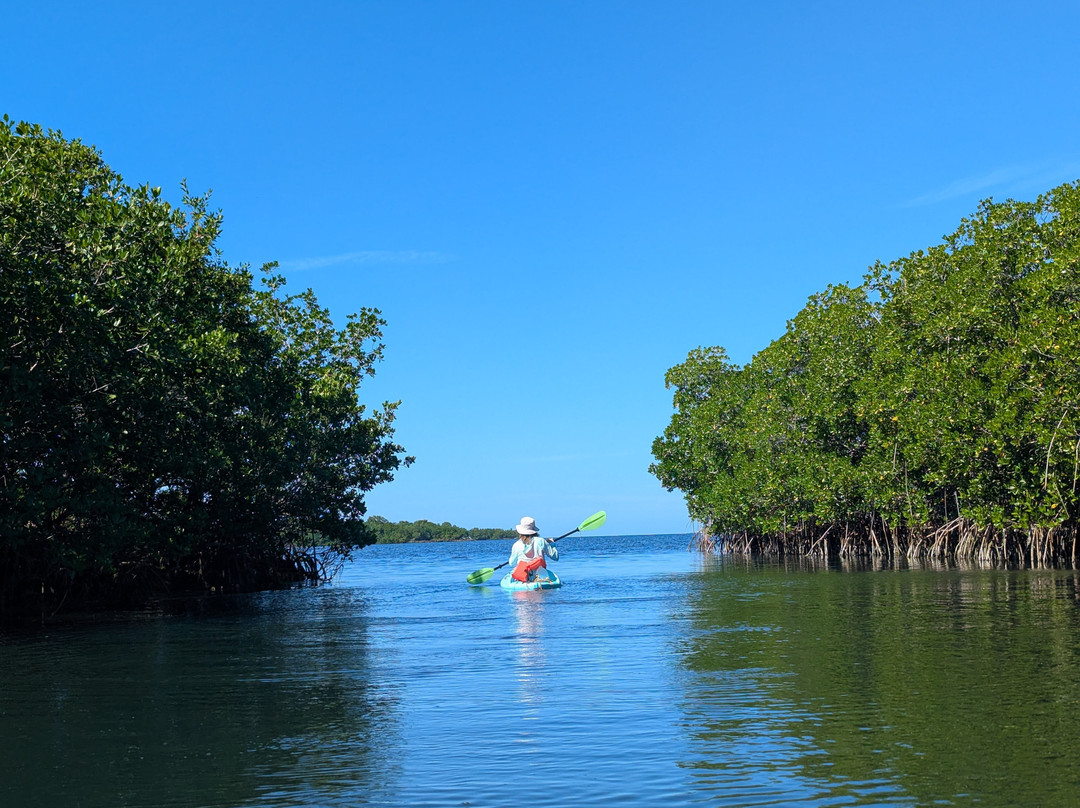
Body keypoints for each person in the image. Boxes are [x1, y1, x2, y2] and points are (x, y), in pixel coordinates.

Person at [507, 516, 559, 582]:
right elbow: (555, 557)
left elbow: (511, 563)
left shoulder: (516, 545)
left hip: (522, 576)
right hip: (540, 576)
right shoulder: (541, 541)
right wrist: (552, 544)